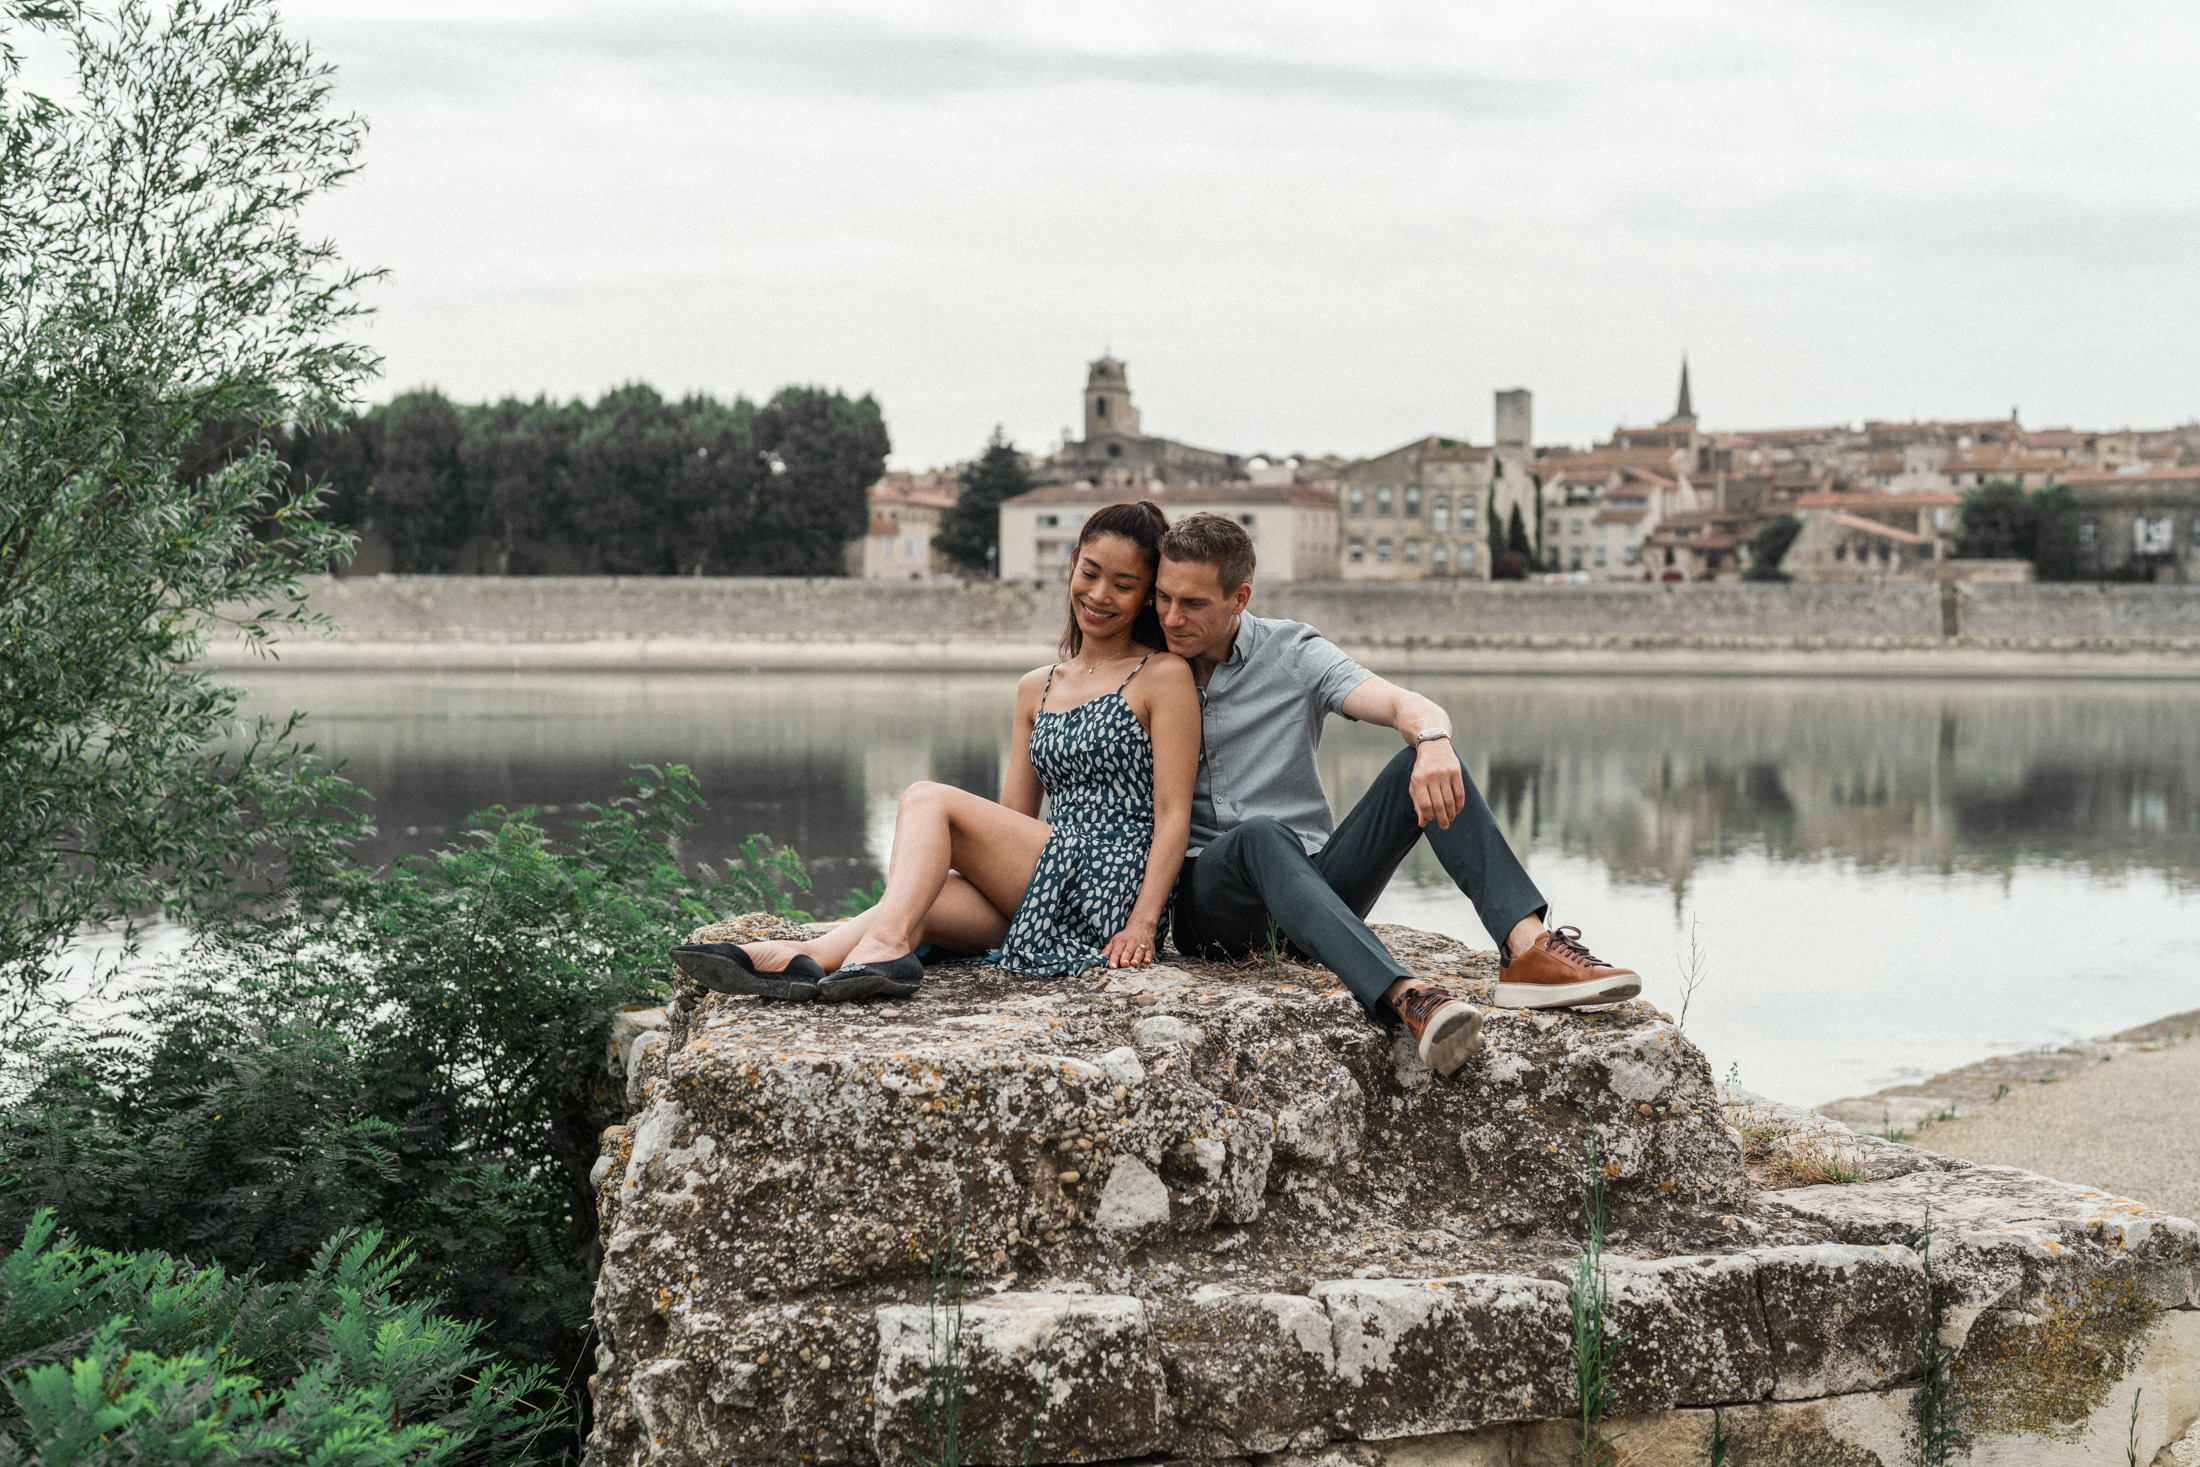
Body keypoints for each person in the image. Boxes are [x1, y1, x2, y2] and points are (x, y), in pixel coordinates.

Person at [1152, 513, 1640, 1078]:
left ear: (1239, 598)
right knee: (1260, 834)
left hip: (1317, 889)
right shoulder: (1148, 664)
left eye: (1192, 604)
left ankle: (1527, 949)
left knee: (1425, 763)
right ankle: (1406, 995)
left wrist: (1434, 743)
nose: (1171, 616)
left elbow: (1405, 705)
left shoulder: (1290, 651)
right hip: (1213, 904)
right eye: (1163, 598)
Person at [671, 501, 1200, 1003]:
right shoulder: (1036, 687)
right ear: (1071, 566)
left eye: (1124, 584)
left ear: (1148, 595)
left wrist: (1144, 923)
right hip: (1045, 879)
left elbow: (1173, 813)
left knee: (927, 798)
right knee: (922, 895)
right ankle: (809, 956)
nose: (1100, 593)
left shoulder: (1162, 676)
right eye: (1090, 572)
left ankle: (883, 951)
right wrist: (953, 877)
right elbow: (1009, 821)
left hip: (1112, 884)